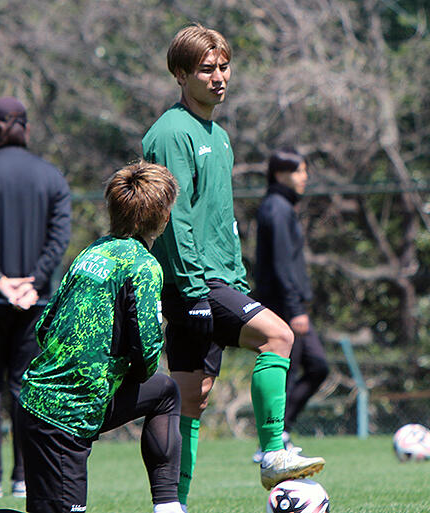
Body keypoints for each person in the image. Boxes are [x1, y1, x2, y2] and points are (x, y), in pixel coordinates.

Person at [0, 161, 184, 513]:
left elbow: (44, 326)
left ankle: (168, 508)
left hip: (38, 400)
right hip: (64, 418)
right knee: (163, 388)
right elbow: (147, 356)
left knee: (164, 392)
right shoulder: (143, 266)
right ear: (163, 218)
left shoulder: (92, 253)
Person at [141, 23, 324, 508]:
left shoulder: (218, 136)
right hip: (194, 282)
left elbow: (218, 218)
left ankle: (170, 503)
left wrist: (235, 277)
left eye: (223, 67)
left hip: (218, 278)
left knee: (188, 400)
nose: (219, 77)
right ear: (180, 74)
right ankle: (272, 451)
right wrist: (193, 291)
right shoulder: (171, 133)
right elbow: (174, 217)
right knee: (279, 336)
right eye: (206, 69)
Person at [0, 97, 72, 498]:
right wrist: (33, 281)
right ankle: (24, 478)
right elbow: (60, 237)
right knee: (27, 386)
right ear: (25, 127)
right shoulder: (52, 176)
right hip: (36, 301)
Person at [252, 148, 329, 462]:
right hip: (283, 306)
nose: (305, 177)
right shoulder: (277, 208)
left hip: (291, 303)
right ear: (280, 174)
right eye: (299, 171)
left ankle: (281, 432)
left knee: (318, 367)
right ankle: (270, 444)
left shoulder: (282, 206)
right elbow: (282, 265)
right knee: (288, 371)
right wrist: (294, 308)